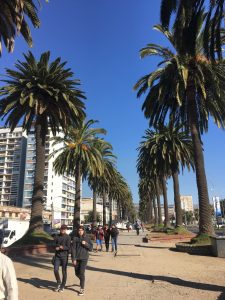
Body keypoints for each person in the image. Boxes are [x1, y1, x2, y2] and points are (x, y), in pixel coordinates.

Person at [71, 225, 93, 296]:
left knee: (81, 273)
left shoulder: (87, 238)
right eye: (79, 230)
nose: (80, 231)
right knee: (76, 273)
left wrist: (86, 244)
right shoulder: (75, 238)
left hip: (84, 258)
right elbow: (73, 249)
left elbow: (91, 248)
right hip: (76, 258)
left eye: (81, 230)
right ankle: (82, 281)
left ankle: (82, 288)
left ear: (84, 231)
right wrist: (73, 259)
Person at [53, 224, 71, 292]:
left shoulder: (68, 237)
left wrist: (62, 247)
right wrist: (56, 247)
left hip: (64, 256)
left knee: (64, 271)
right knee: (55, 270)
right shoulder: (57, 236)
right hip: (57, 256)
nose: (63, 230)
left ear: (66, 230)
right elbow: (54, 244)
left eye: (64, 229)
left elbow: (69, 247)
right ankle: (58, 282)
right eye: (62, 229)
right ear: (60, 229)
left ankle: (62, 285)